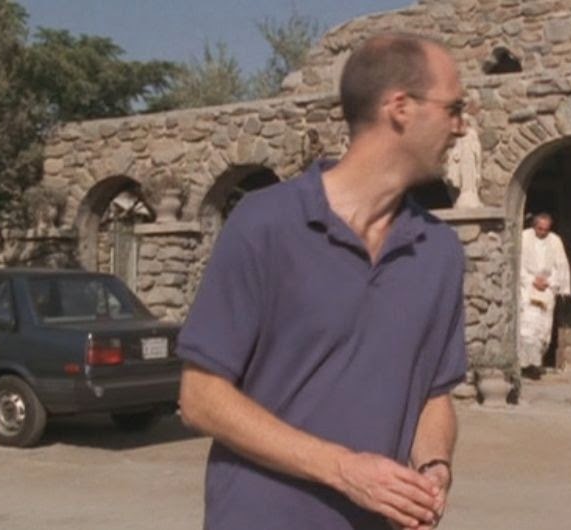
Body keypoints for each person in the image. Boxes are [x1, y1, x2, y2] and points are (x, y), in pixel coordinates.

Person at [176, 33, 469, 530]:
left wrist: (433, 467)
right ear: (400, 107)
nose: (462, 126)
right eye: (454, 109)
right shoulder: (264, 223)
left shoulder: (439, 251)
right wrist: (344, 470)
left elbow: (433, 394)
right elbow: (200, 399)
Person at [517, 213, 571, 379]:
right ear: (534, 226)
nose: (542, 232)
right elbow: (518, 262)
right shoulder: (524, 237)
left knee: (542, 329)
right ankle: (524, 365)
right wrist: (532, 280)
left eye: (545, 229)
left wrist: (549, 282)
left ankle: (536, 364)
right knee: (527, 328)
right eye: (540, 229)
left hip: (547, 288)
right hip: (527, 287)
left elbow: (560, 265)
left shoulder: (555, 241)